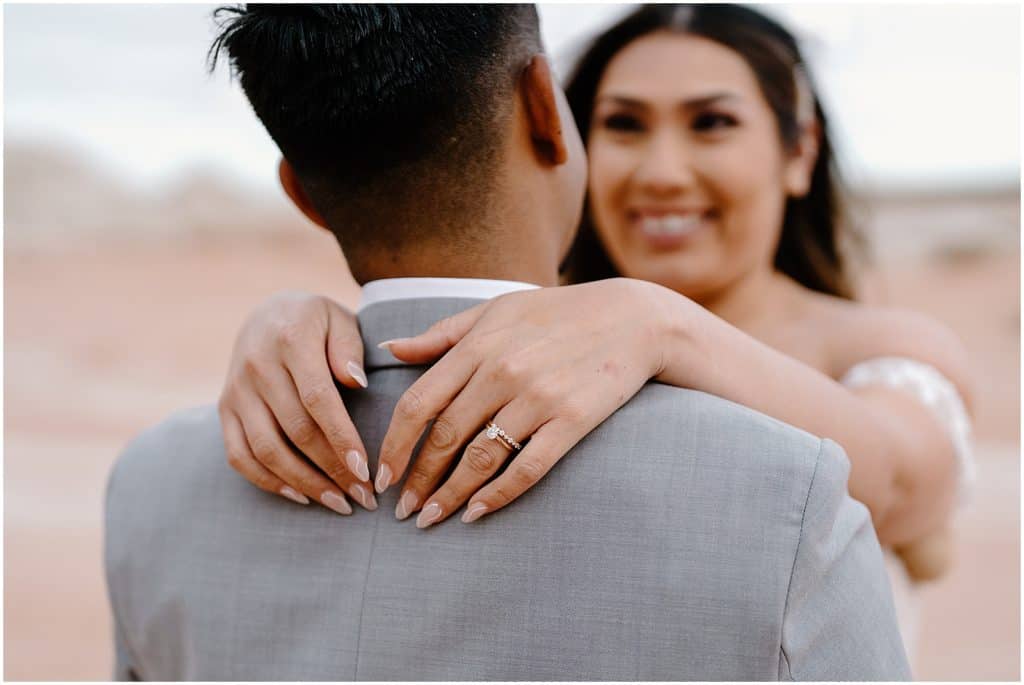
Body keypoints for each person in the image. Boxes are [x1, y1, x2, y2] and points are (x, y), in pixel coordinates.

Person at [105, 4, 910, 680]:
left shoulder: (148, 482)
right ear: (546, 111)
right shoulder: (784, 489)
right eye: (625, 123)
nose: (663, 171)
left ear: (302, 194)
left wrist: (662, 319)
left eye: (710, 123)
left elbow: (910, 480)